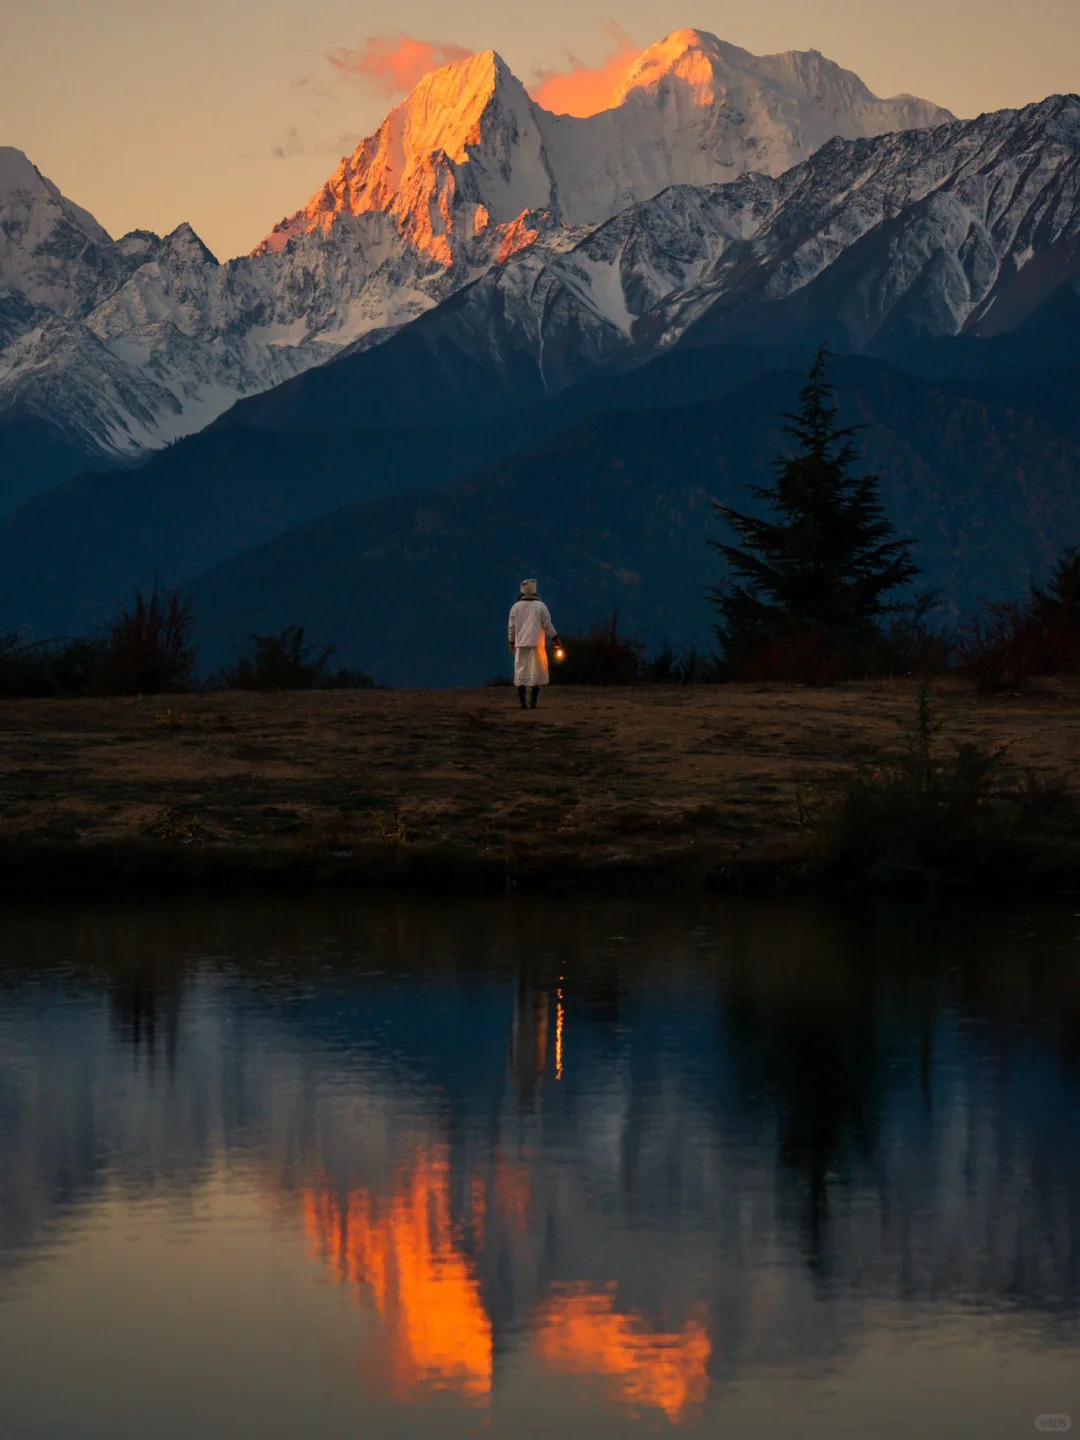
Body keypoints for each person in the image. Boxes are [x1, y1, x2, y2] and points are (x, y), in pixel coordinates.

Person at [508, 579, 560, 709]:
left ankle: (522, 702)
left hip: (520, 644)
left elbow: (511, 627)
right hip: (536, 644)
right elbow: (547, 625)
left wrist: (511, 642)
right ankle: (533, 702)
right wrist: (555, 639)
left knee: (521, 673)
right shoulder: (541, 606)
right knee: (536, 674)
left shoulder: (515, 607)